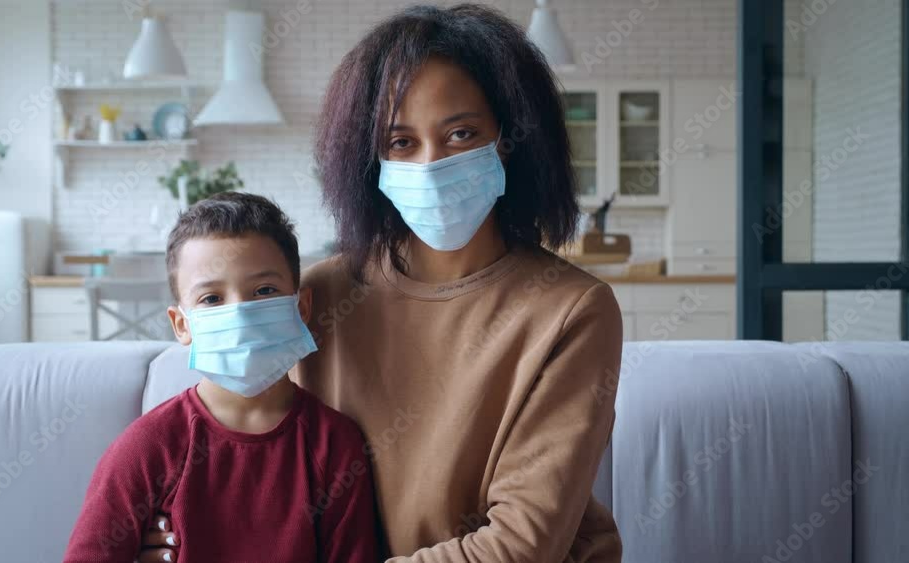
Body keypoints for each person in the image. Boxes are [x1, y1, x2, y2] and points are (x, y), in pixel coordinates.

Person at [138, 4, 623, 562]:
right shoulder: (317, 297)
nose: (431, 164)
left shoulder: (572, 310)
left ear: (510, 140)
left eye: (461, 133)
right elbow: (252, 453)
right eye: (401, 142)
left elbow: (522, 545)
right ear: (370, 161)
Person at [63, 192, 379, 562]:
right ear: (182, 325)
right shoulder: (147, 449)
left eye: (264, 291)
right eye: (211, 299)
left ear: (302, 307)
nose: (241, 314)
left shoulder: (336, 446)